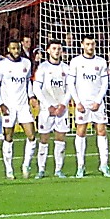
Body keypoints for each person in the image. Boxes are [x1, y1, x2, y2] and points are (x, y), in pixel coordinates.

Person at [67, 34, 110, 178]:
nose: (90, 47)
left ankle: (104, 165)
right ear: (82, 45)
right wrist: (77, 102)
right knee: (81, 131)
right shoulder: (75, 62)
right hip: (82, 103)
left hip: (97, 103)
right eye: (87, 44)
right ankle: (80, 166)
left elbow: (105, 83)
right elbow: (71, 84)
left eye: (92, 44)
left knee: (102, 131)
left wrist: (98, 100)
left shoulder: (101, 62)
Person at [0, 40, 39, 180]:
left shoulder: (26, 63)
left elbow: (27, 82)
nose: (16, 51)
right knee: (8, 137)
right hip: (8, 106)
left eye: (18, 48)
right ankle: (9, 169)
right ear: (8, 49)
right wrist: (0, 104)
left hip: (23, 106)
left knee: (32, 136)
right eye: (13, 48)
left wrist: (31, 96)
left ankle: (26, 165)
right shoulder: (2, 65)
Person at [33, 40, 70, 179]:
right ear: (48, 50)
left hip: (61, 110)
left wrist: (63, 104)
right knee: (44, 139)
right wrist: (48, 105)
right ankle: (41, 169)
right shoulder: (42, 68)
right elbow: (36, 88)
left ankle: (58, 170)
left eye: (59, 49)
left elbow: (70, 88)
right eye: (54, 48)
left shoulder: (66, 69)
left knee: (60, 139)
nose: (57, 51)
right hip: (46, 110)